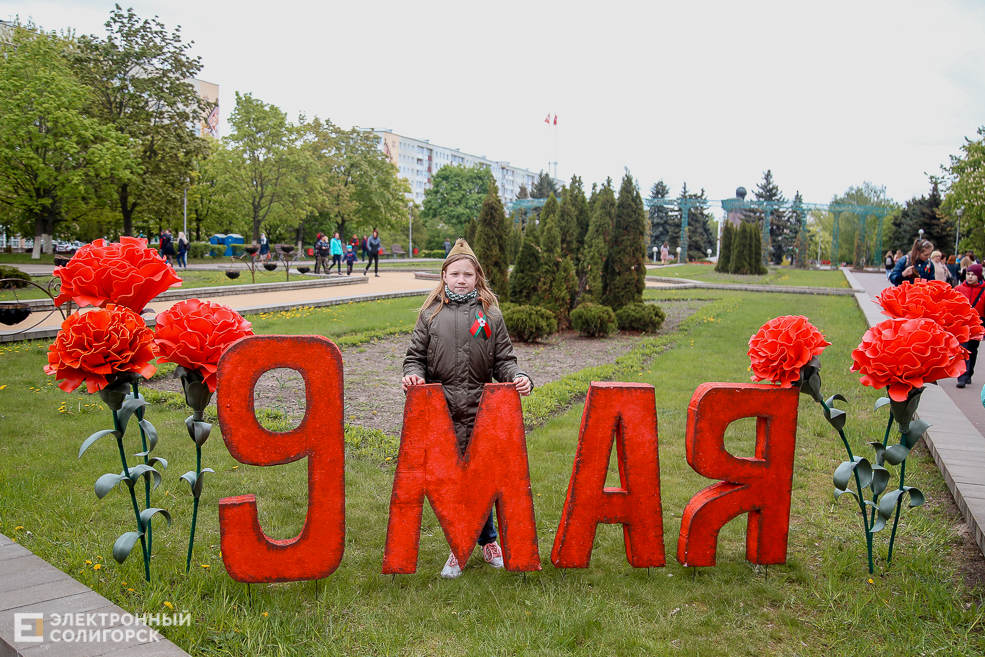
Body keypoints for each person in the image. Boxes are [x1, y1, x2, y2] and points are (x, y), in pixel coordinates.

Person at [401, 238, 533, 579]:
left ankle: (483, 542)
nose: (461, 280)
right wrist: (414, 376)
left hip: (480, 411)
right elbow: (414, 358)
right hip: (442, 412)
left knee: (481, 480)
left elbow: (504, 360)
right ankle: (461, 544)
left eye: (468, 274)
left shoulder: (491, 316)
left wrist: (518, 376)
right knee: (450, 482)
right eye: (455, 274)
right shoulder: (430, 315)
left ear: (478, 278)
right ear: (444, 276)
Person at [956, 263, 985, 388]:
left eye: (973, 274)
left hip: (977, 324)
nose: (970, 277)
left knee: (973, 350)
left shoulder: (983, 290)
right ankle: (962, 376)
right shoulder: (959, 289)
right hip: (962, 324)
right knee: (963, 350)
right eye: (968, 274)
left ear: (979, 276)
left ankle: (969, 373)